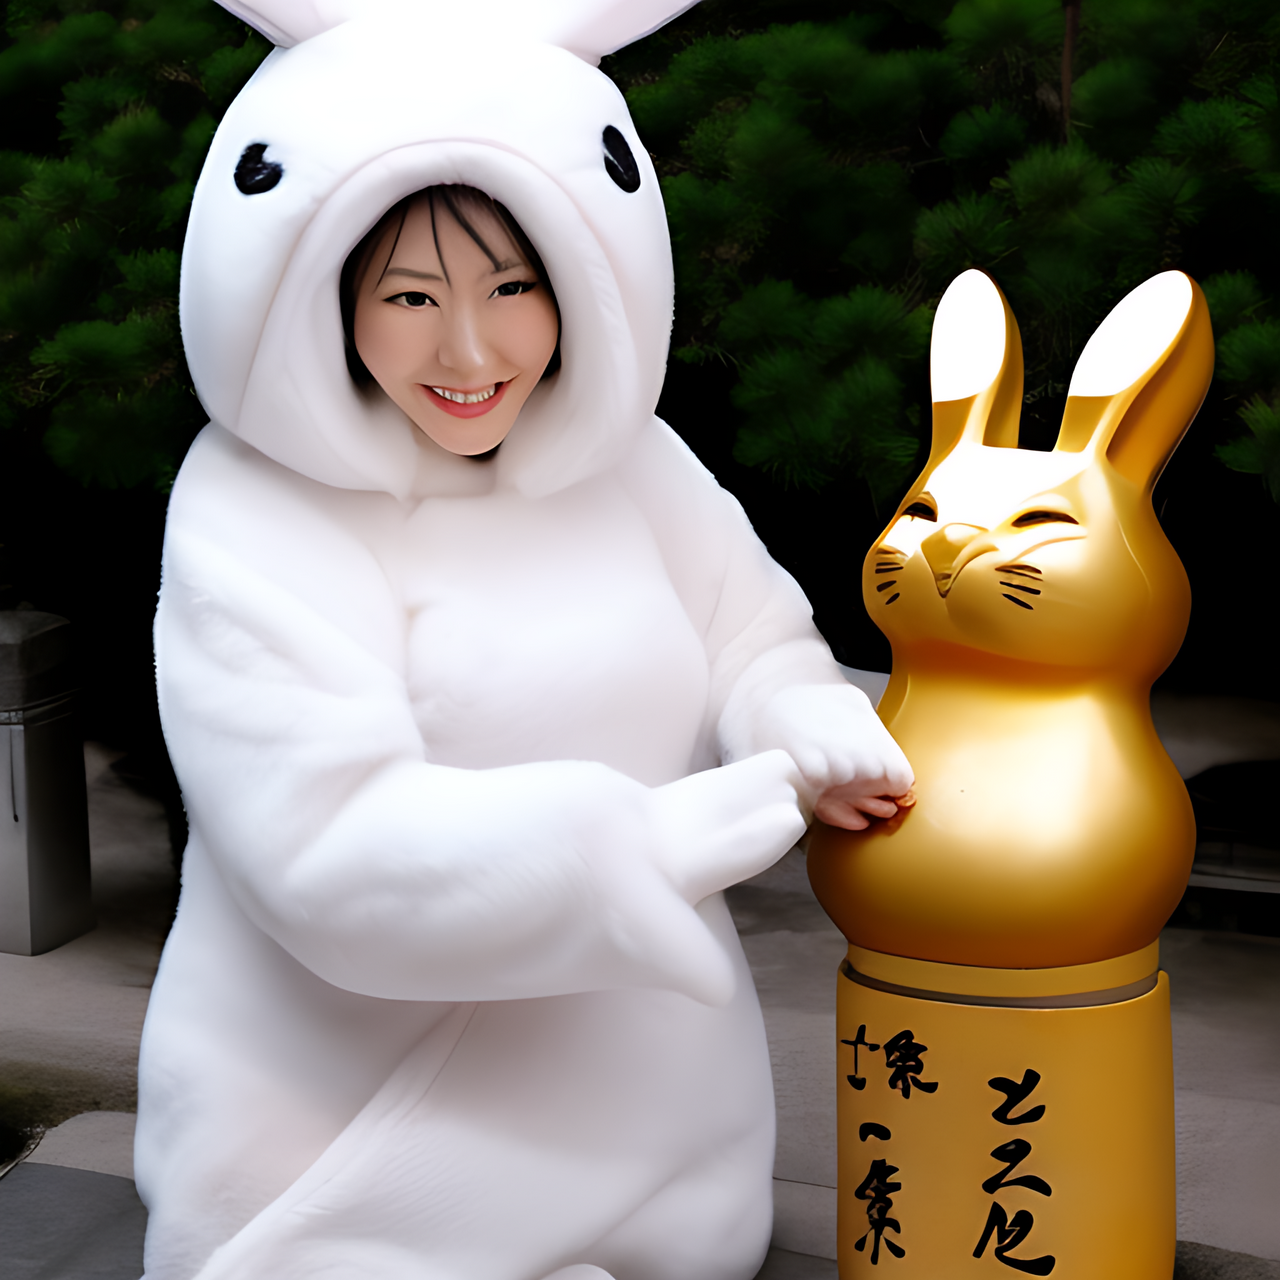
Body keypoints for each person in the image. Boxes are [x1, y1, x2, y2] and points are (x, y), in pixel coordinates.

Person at [135, 6, 912, 1278]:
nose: (469, 350)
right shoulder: (250, 508)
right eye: (408, 295)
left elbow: (747, 637)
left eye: (514, 287)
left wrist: (800, 716)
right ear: (318, 292)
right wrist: (631, 846)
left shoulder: (633, 463)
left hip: (651, 1110)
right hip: (338, 1114)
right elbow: (318, 845)